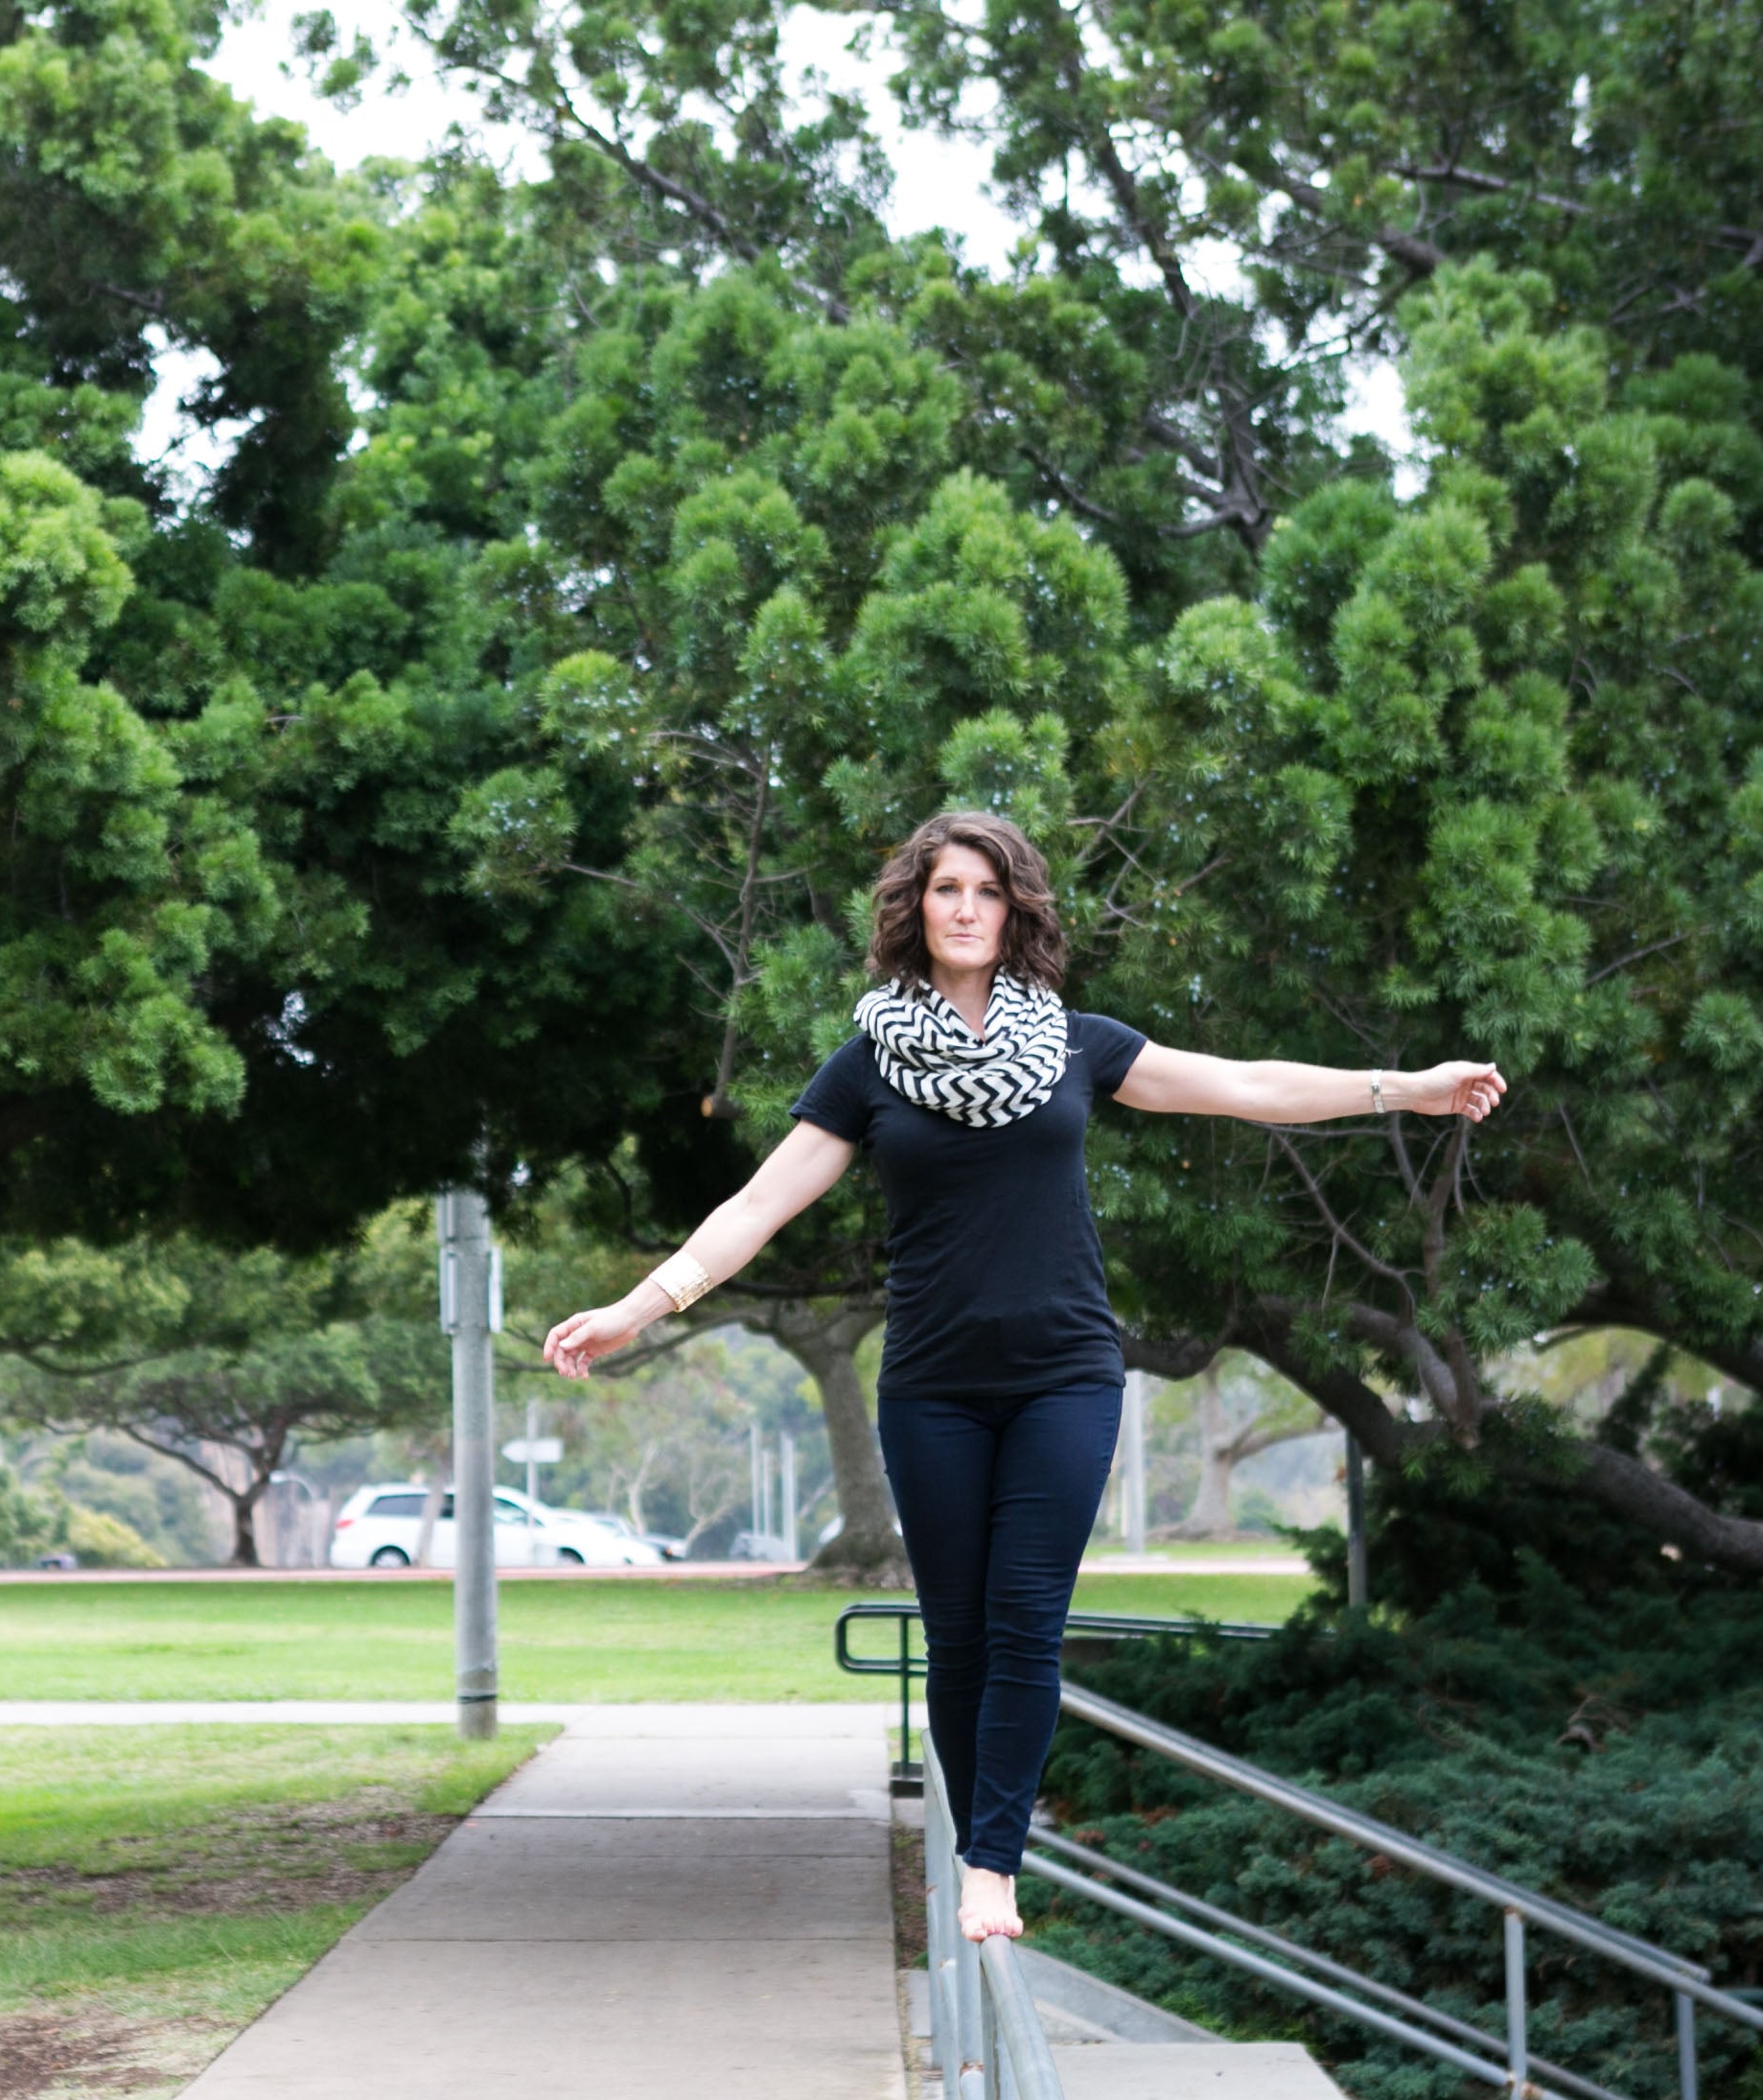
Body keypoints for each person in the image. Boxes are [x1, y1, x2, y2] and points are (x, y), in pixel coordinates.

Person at [544, 810, 1505, 1944]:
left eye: (985, 892)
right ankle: (972, 1841)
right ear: (915, 909)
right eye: (945, 888)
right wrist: (631, 1312)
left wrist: (1409, 1087)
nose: (963, 908)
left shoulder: (1076, 1047)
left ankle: (992, 1863)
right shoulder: (864, 1066)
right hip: (931, 1389)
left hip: (1064, 1376)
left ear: (1014, 914)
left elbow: (1246, 1085)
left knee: (1022, 1621)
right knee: (955, 1633)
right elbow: (753, 1207)